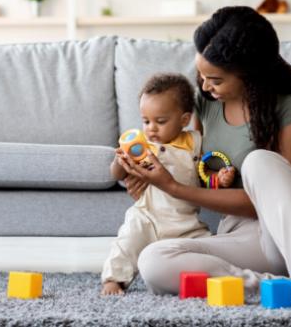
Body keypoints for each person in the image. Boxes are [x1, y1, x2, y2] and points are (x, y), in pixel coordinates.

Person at [117, 6, 291, 314]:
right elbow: (201, 172)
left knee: (260, 161)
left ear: (250, 73)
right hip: (242, 237)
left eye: (215, 79)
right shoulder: (205, 104)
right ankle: (283, 285)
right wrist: (150, 181)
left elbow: (266, 200)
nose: (203, 87)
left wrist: (173, 187)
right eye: (201, 75)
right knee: (152, 260)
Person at [101, 73, 236, 295]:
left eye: (160, 121)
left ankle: (225, 276)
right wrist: (120, 160)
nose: (151, 128)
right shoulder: (141, 144)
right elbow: (116, 174)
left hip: (185, 221)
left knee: (210, 248)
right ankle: (113, 280)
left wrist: (218, 177)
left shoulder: (194, 142)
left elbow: (203, 171)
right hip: (147, 216)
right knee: (127, 241)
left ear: (183, 120)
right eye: (146, 121)